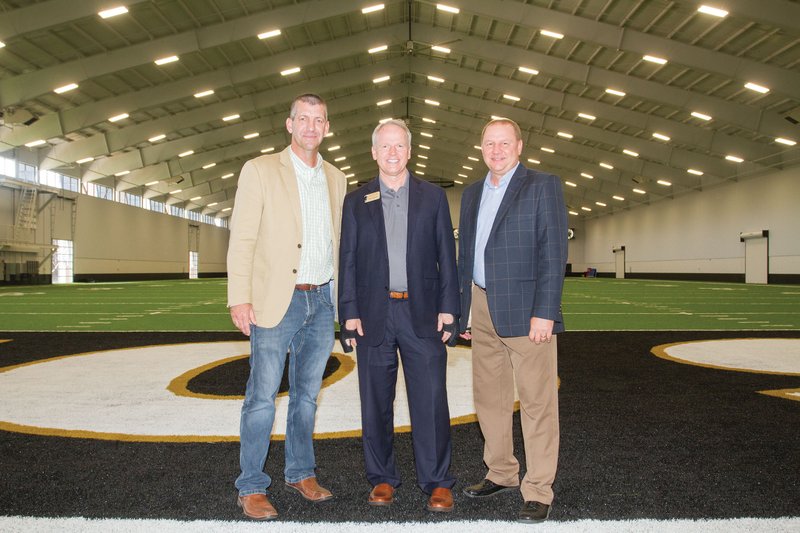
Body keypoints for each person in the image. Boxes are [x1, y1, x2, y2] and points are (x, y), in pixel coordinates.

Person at [226, 93, 347, 520]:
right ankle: (252, 486)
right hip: (277, 300)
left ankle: (300, 472)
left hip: (322, 298)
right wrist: (239, 296)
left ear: (327, 127)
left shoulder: (336, 178)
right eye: (304, 119)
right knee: (261, 397)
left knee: (307, 397)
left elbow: (339, 243)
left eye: (319, 119)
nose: (312, 126)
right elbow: (242, 237)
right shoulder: (259, 170)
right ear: (289, 124)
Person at [338, 119, 459, 512]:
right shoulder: (356, 201)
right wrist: (349, 312)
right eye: (384, 147)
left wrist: (450, 308)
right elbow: (348, 260)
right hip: (373, 315)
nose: (392, 153)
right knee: (375, 401)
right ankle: (382, 478)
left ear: (410, 151)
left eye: (399, 146)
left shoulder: (433, 197)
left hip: (422, 312)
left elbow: (447, 256)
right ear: (373, 152)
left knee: (431, 400)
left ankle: (437, 481)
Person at [457, 118, 568, 523]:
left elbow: (553, 252)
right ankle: (501, 472)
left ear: (519, 146)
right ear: (481, 147)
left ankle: (538, 488)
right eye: (490, 143)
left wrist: (546, 311)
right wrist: (464, 307)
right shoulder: (471, 194)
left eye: (505, 142)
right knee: (490, 397)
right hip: (482, 306)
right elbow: (465, 256)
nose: (497, 150)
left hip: (526, 311)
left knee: (537, 402)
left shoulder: (543, 185)